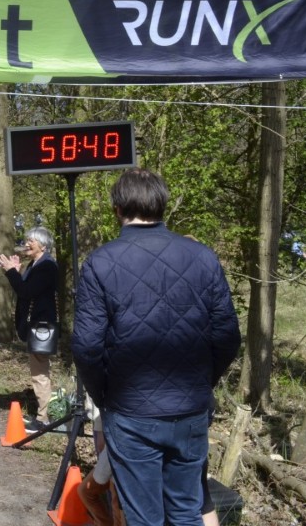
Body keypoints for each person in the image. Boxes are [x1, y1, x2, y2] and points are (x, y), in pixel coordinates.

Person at [72, 168, 241, 526]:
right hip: (188, 408)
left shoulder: (100, 262)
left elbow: (87, 347)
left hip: (131, 411)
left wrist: (105, 396)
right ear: (161, 205)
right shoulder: (203, 257)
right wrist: (200, 383)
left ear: (118, 209)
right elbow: (227, 337)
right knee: (187, 511)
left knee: (144, 518)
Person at [0, 226, 58, 430]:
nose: (27, 243)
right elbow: (25, 289)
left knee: (40, 373)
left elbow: (26, 292)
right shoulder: (36, 264)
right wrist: (17, 271)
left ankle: (44, 419)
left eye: (32, 240)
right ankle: (42, 415)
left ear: (43, 245)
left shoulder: (47, 266)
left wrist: (11, 271)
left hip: (42, 326)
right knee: (38, 371)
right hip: (36, 325)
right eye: (27, 239)